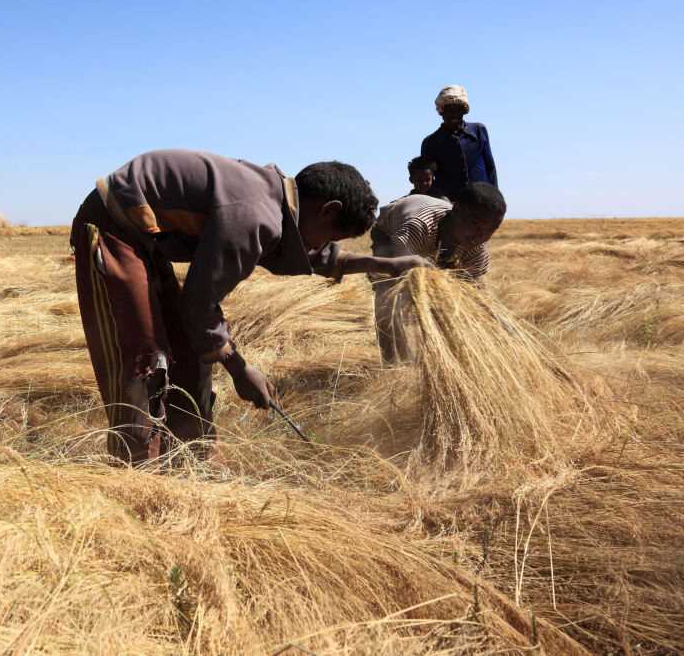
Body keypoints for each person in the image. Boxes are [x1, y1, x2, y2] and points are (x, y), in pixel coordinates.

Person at [70, 149, 428, 465]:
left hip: (145, 240)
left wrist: (381, 264)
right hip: (113, 225)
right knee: (144, 354)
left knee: (192, 350)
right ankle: (137, 467)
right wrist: (240, 369)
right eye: (332, 236)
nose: (325, 246)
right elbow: (199, 304)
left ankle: (194, 452)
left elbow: (307, 254)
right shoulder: (253, 214)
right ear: (327, 210)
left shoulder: (275, 205)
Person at [369, 181, 507, 363]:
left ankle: (441, 358)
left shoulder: (476, 247)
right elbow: (403, 271)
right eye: (474, 224)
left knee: (449, 303)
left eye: (490, 230)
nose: (479, 235)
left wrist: (501, 322)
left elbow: (476, 290)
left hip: (436, 243)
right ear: (456, 210)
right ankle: (393, 362)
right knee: (387, 295)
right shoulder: (418, 226)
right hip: (389, 232)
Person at [419, 85, 498, 201]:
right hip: (449, 206)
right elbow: (425, 178)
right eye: (449, 110)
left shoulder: (479, 131)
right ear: (441, 111)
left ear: (464, 111)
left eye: (458, 109)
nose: (454, 114)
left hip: (481, 202)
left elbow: (490, 167)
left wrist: (495, 198)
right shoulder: (430, 143)